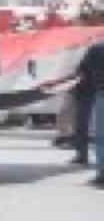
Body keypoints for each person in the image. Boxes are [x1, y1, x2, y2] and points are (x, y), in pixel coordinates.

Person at [42, 41, 104, 176]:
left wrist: (56, 82)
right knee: (88, 127)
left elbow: (79, 72)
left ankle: (85, 158)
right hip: (90, 90)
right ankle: (84, 156)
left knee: (85, 126)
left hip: (89, 91)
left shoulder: (96, 48)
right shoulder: (94, 48)